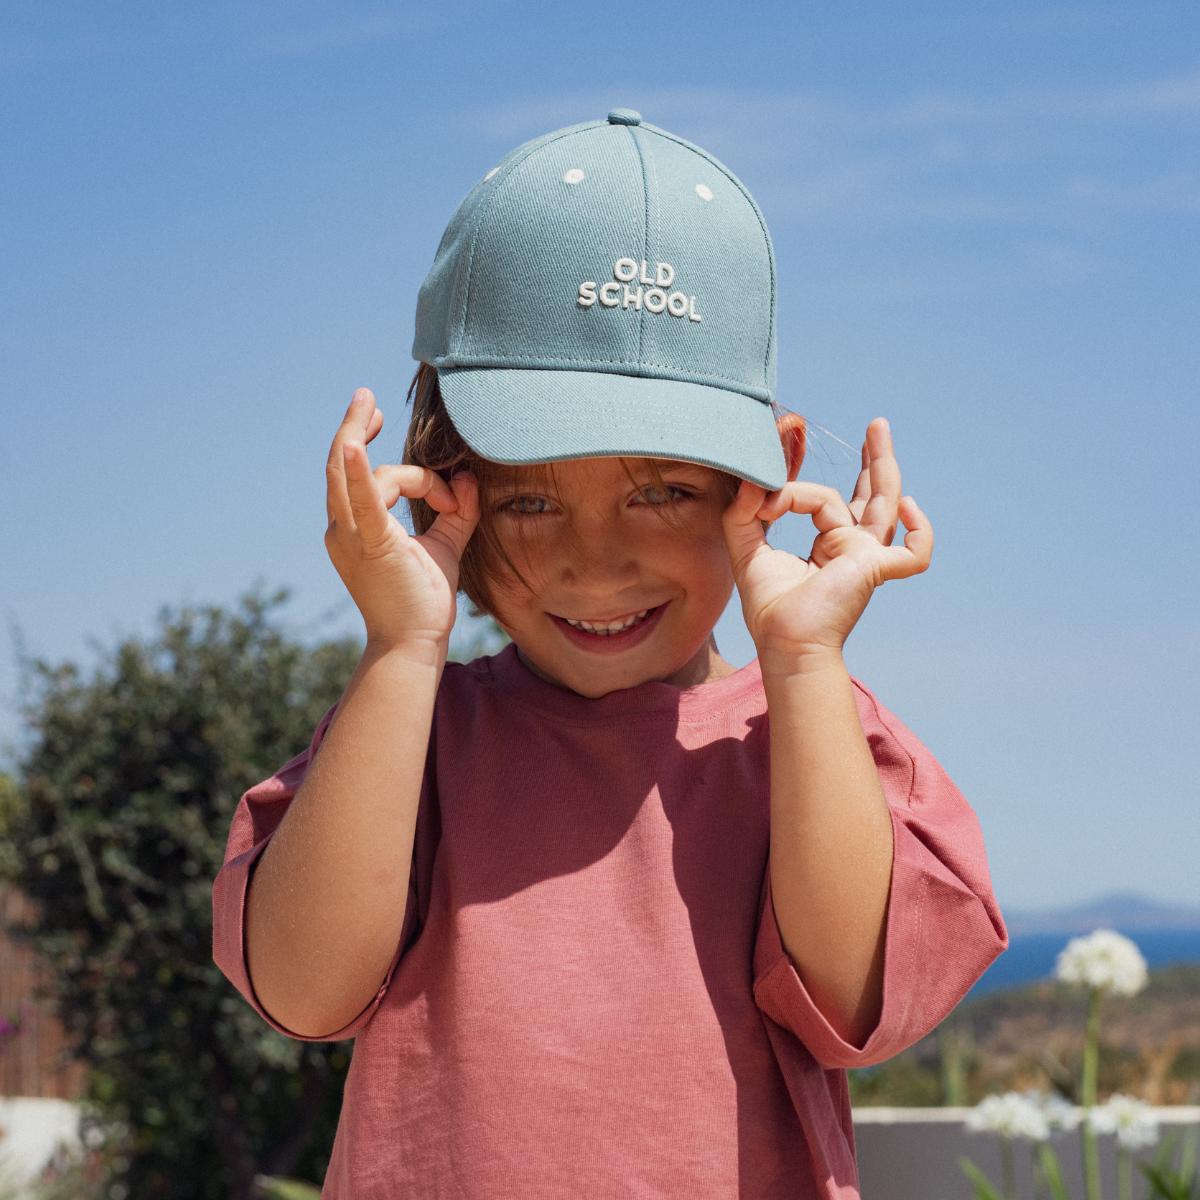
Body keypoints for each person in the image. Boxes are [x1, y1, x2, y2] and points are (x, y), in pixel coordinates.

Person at [212, 108, 1009, 1198]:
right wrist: (402, 649)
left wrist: (807, 661)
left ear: (762, 483)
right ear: (445, 485)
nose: (596, 562)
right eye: (532, 496)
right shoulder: (414, 741)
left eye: (662, 491)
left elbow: (857, 1006)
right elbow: (304, 992)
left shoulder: (812, 734)